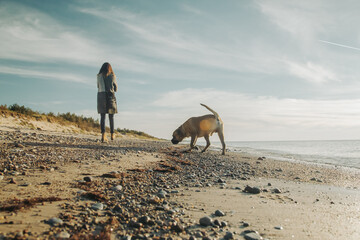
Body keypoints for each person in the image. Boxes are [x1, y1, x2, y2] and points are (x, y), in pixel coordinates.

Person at [97, 62, 118, 142]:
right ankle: (112, 134)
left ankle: (103, 135)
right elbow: (115, 88)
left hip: (101, 95)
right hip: (110, 96)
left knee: (102, 117)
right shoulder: (112, 76)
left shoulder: (99, 76)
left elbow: (98, 86)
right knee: (111, 117)